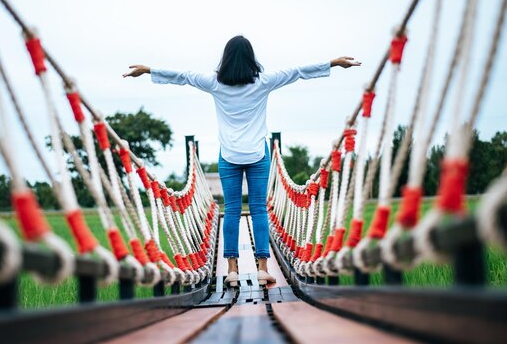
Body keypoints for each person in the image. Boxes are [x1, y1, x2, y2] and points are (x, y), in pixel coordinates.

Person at [123, 35, 360, 287]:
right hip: (258, 155)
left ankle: (232, 270)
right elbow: (298, 72)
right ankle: (262, 268)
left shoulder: (214, 83)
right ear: (251, 58)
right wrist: (333, 63)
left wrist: (148, 70)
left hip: (229, 156)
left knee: (232, 212)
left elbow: (183, 76)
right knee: (259, 210)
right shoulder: (263, 82)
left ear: (225, 59)